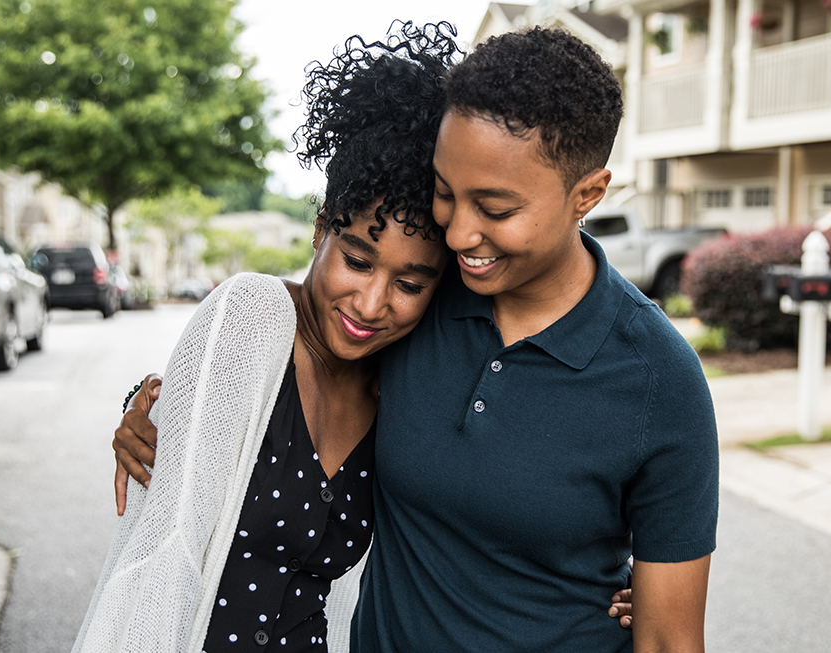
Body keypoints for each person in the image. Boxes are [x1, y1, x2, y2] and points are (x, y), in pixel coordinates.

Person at [117, 26, 718, 653]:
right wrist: (153, 400)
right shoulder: (423, 295)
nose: (458, 233)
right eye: (444, 191)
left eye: (495, 208)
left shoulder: (659, 380)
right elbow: (295, 334)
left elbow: (669, 638)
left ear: (588, 194)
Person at [74, 22, 456, 653]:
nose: (371, 303)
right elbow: (164, 557)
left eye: (410, 284)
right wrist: (147, 409)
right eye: (357, 260)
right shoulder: (250, 315)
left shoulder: (401, 383)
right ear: (319, 231)